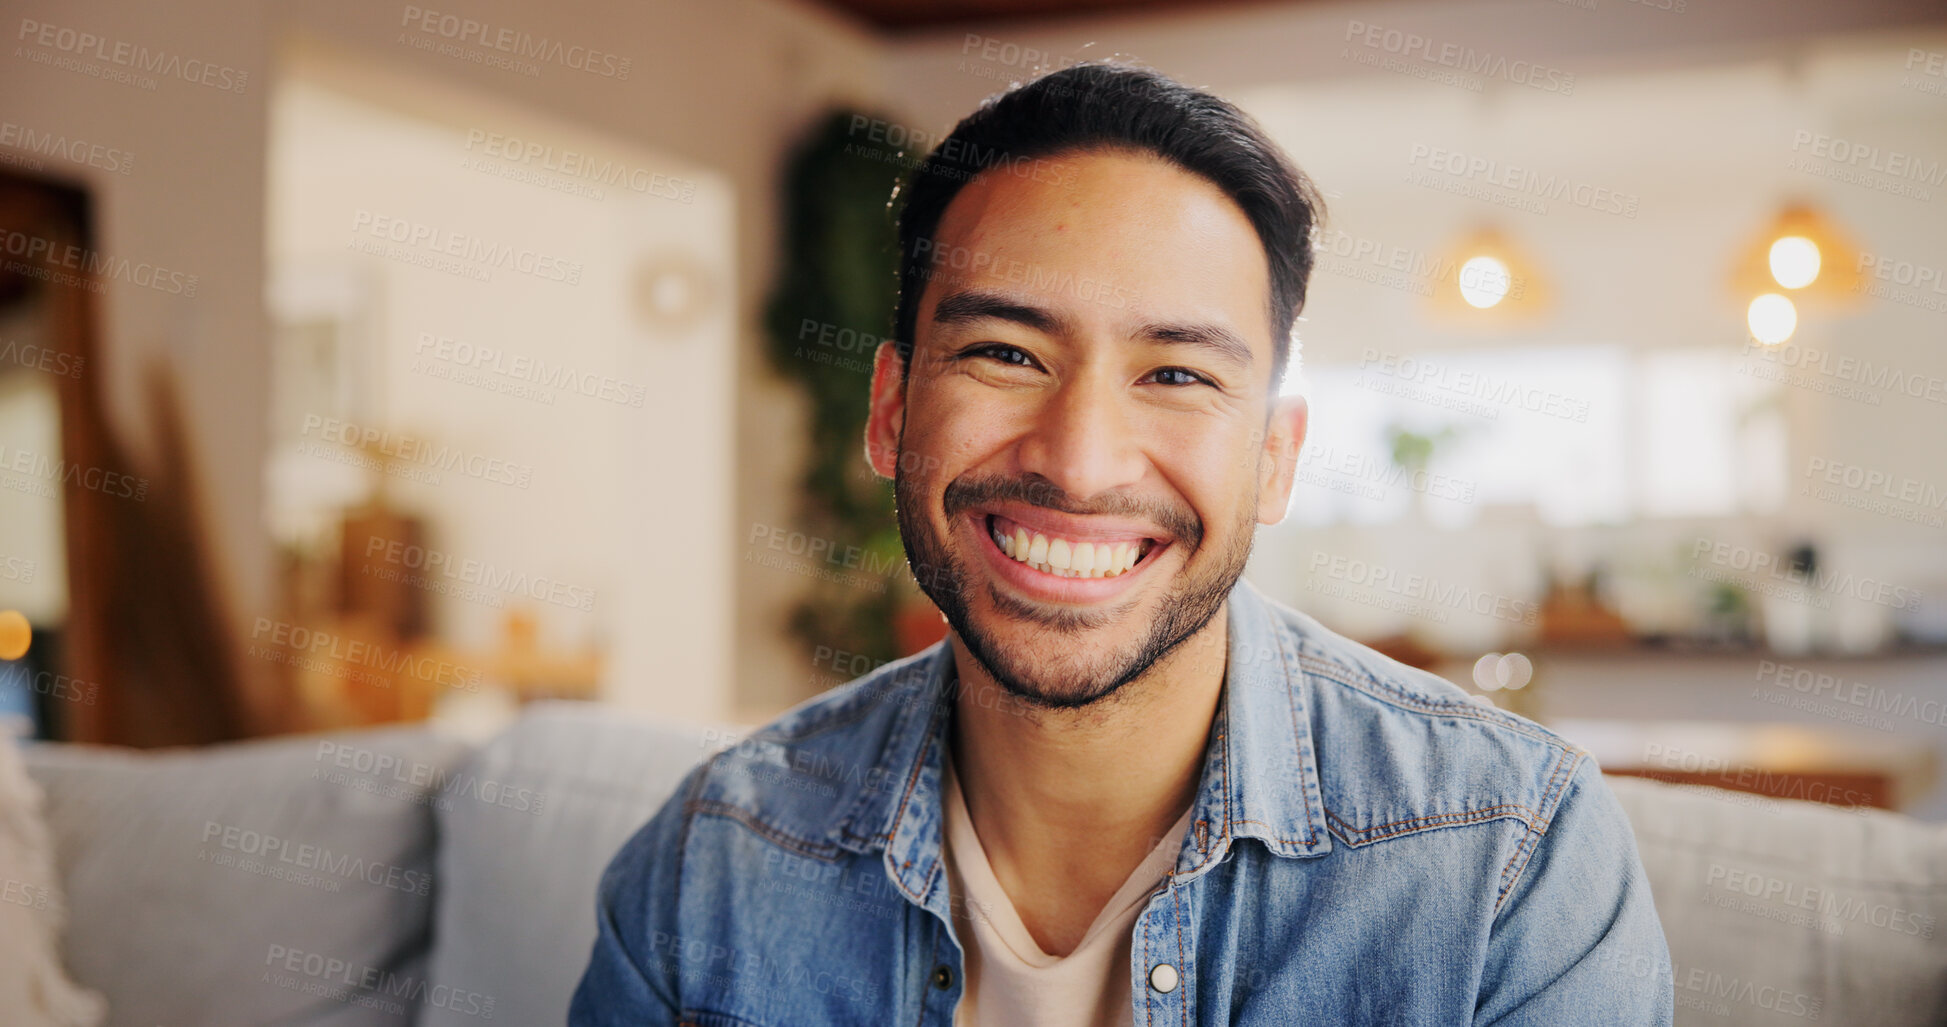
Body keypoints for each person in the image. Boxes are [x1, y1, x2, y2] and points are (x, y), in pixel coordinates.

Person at [571, 61, 1673, 1026]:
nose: (1082, 461)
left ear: (1276, 459)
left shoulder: (1510, 861)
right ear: (892, 411)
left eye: (1179, 374)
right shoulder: (709, 861)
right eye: (1005, 352)